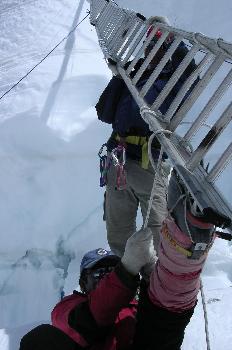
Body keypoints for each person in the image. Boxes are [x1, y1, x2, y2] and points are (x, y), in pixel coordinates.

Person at [96, 16, 198, 258]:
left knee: (158, 229)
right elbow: (105, 112)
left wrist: (173, 40)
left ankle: (156, 281)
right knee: (118, 228)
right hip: (118, 160)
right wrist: (119, 78)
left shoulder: (173, 80)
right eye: (149, 44)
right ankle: (126, 277)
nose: (151, 50)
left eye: (158, 45)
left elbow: (191, 74)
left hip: (149, 163)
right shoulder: (135, 75)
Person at [19, 238, 155, 350]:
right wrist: (125, 272)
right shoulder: (68, 307)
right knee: (41, 338)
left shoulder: (137, 305)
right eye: (99, 273)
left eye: (113, 272)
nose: (108, 277)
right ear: (84, 281)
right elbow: (90, 318)